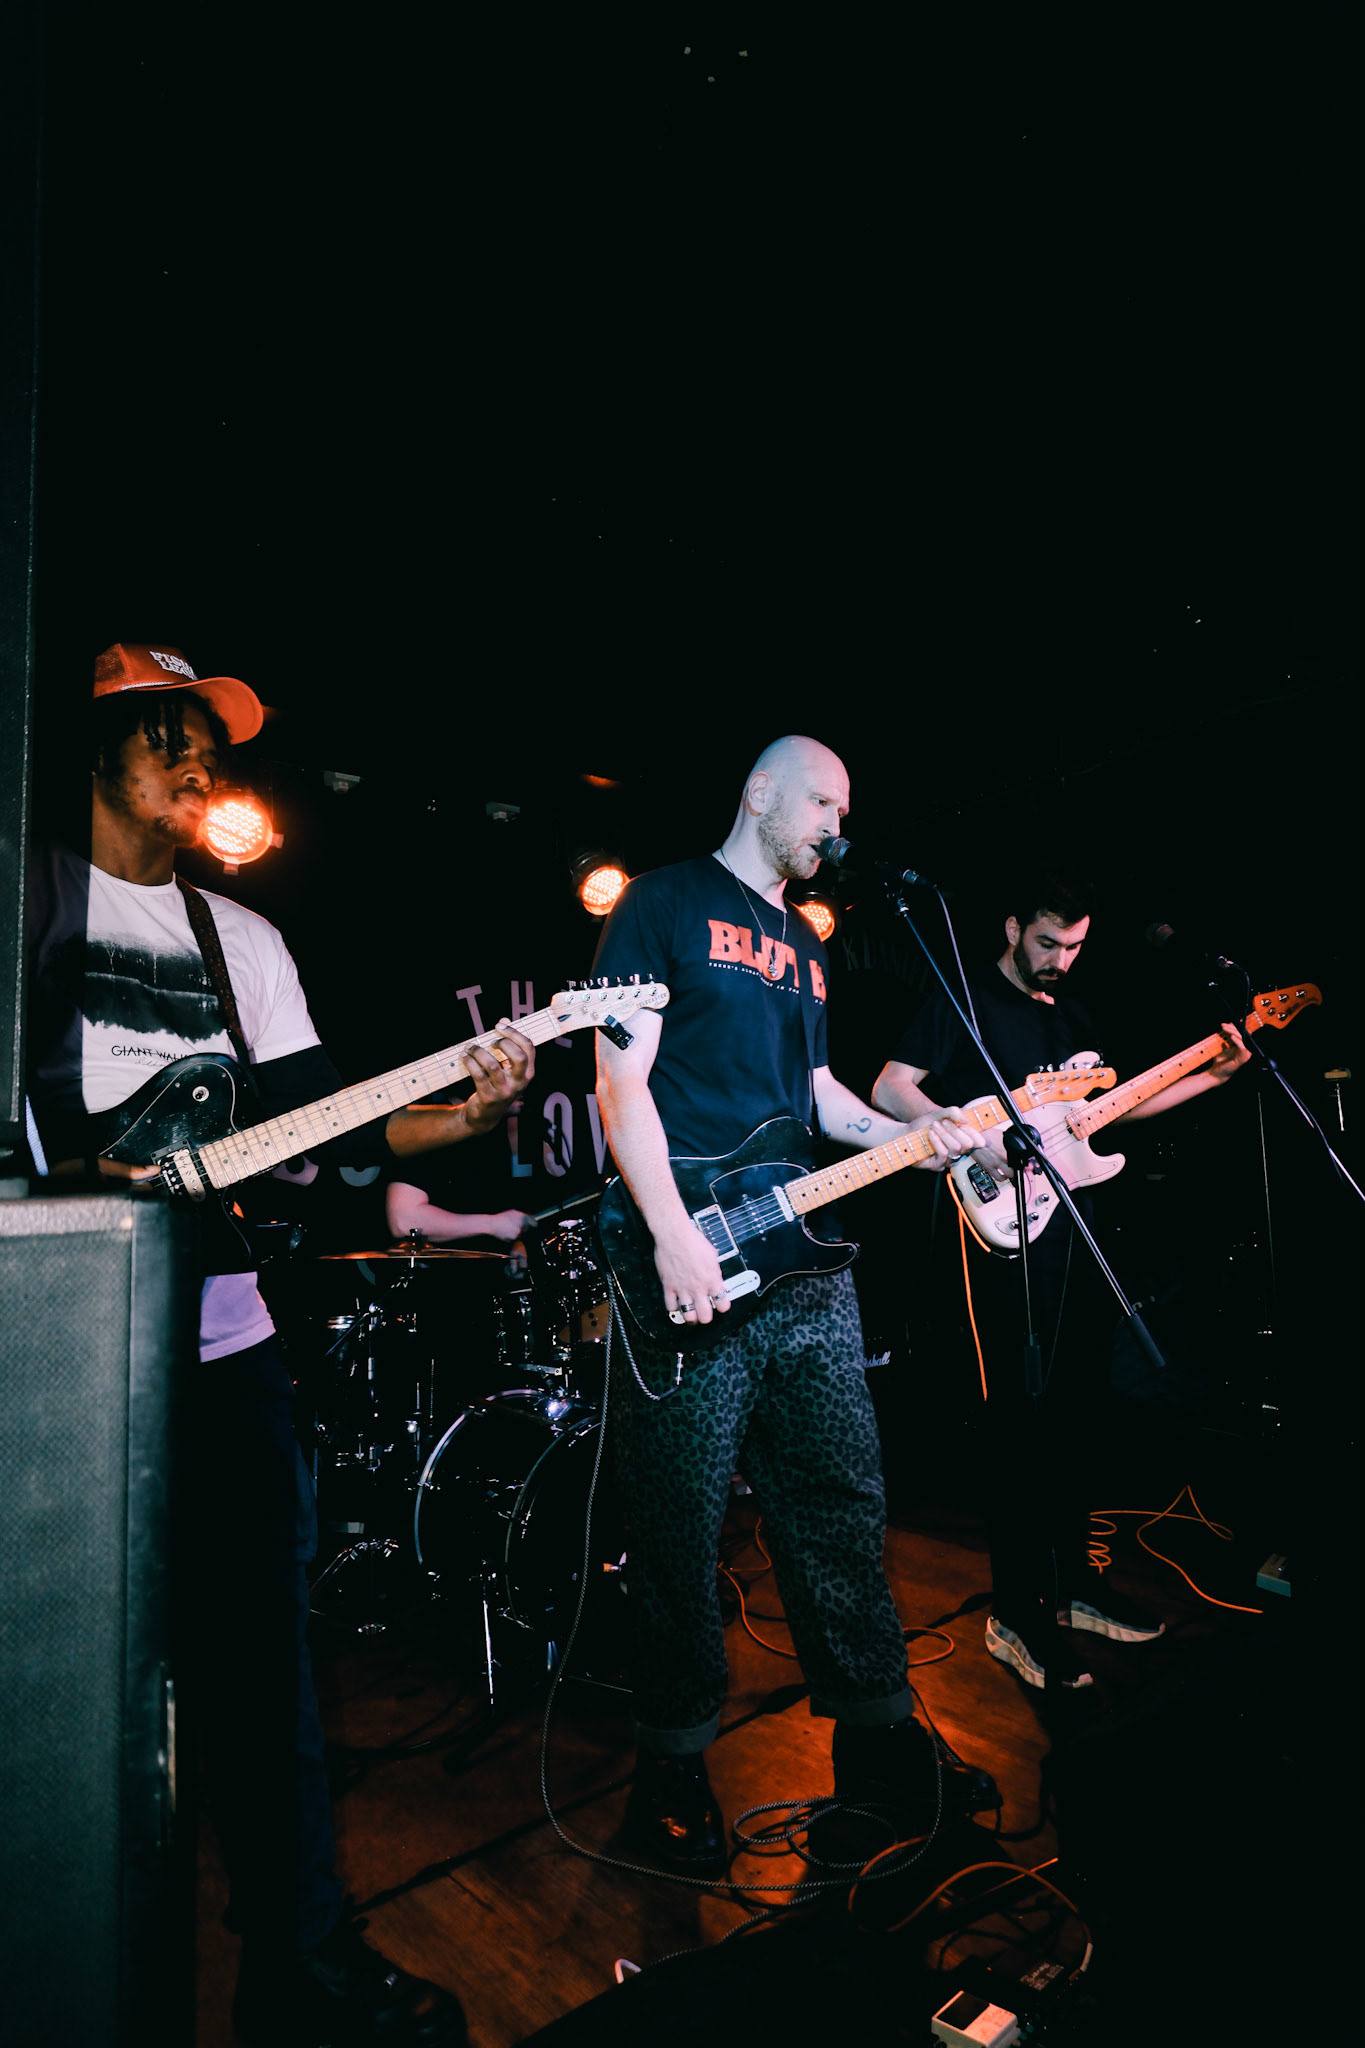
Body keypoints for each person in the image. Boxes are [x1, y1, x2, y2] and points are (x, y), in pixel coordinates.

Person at [26, 642, 536, 2048]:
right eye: (169, 734)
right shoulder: (25, 898)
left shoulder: (242, 943)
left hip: (222, 1341)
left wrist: (466, 1111)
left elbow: (335, 1131)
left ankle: (299, 1957)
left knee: (262, 1668)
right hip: (52, 1357)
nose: (201, 761)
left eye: (213, 740)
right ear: (92, 746)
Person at [591, 734, 989, 1871]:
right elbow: (618, 1079)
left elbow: (816, 1096)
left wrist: (921, 1135)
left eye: (845, 808)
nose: (836, 824)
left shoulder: (806, 947)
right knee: (678, 1522)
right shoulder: (661, 903)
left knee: (839, 1499)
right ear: (760, 793)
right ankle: (671, 1769)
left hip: (803, 1256)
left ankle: (878, 1743)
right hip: (692, 1246)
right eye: (823, 802)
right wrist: (670, 1232)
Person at [872, 874, 1250, 1689]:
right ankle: (1016, 1613)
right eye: (1047, 943)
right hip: (1000, 1232)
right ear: (1013, 928)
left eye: (1074, 947)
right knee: (1019, 1419)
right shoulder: (964, 1002)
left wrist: (1211, 1077)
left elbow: (1106, 1114)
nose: (1058, 961)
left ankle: (1072, 1588)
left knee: (1078, 1412)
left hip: (1073, 1233)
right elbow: (890, 1085)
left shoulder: (1072, 1018)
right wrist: (964, 1135)